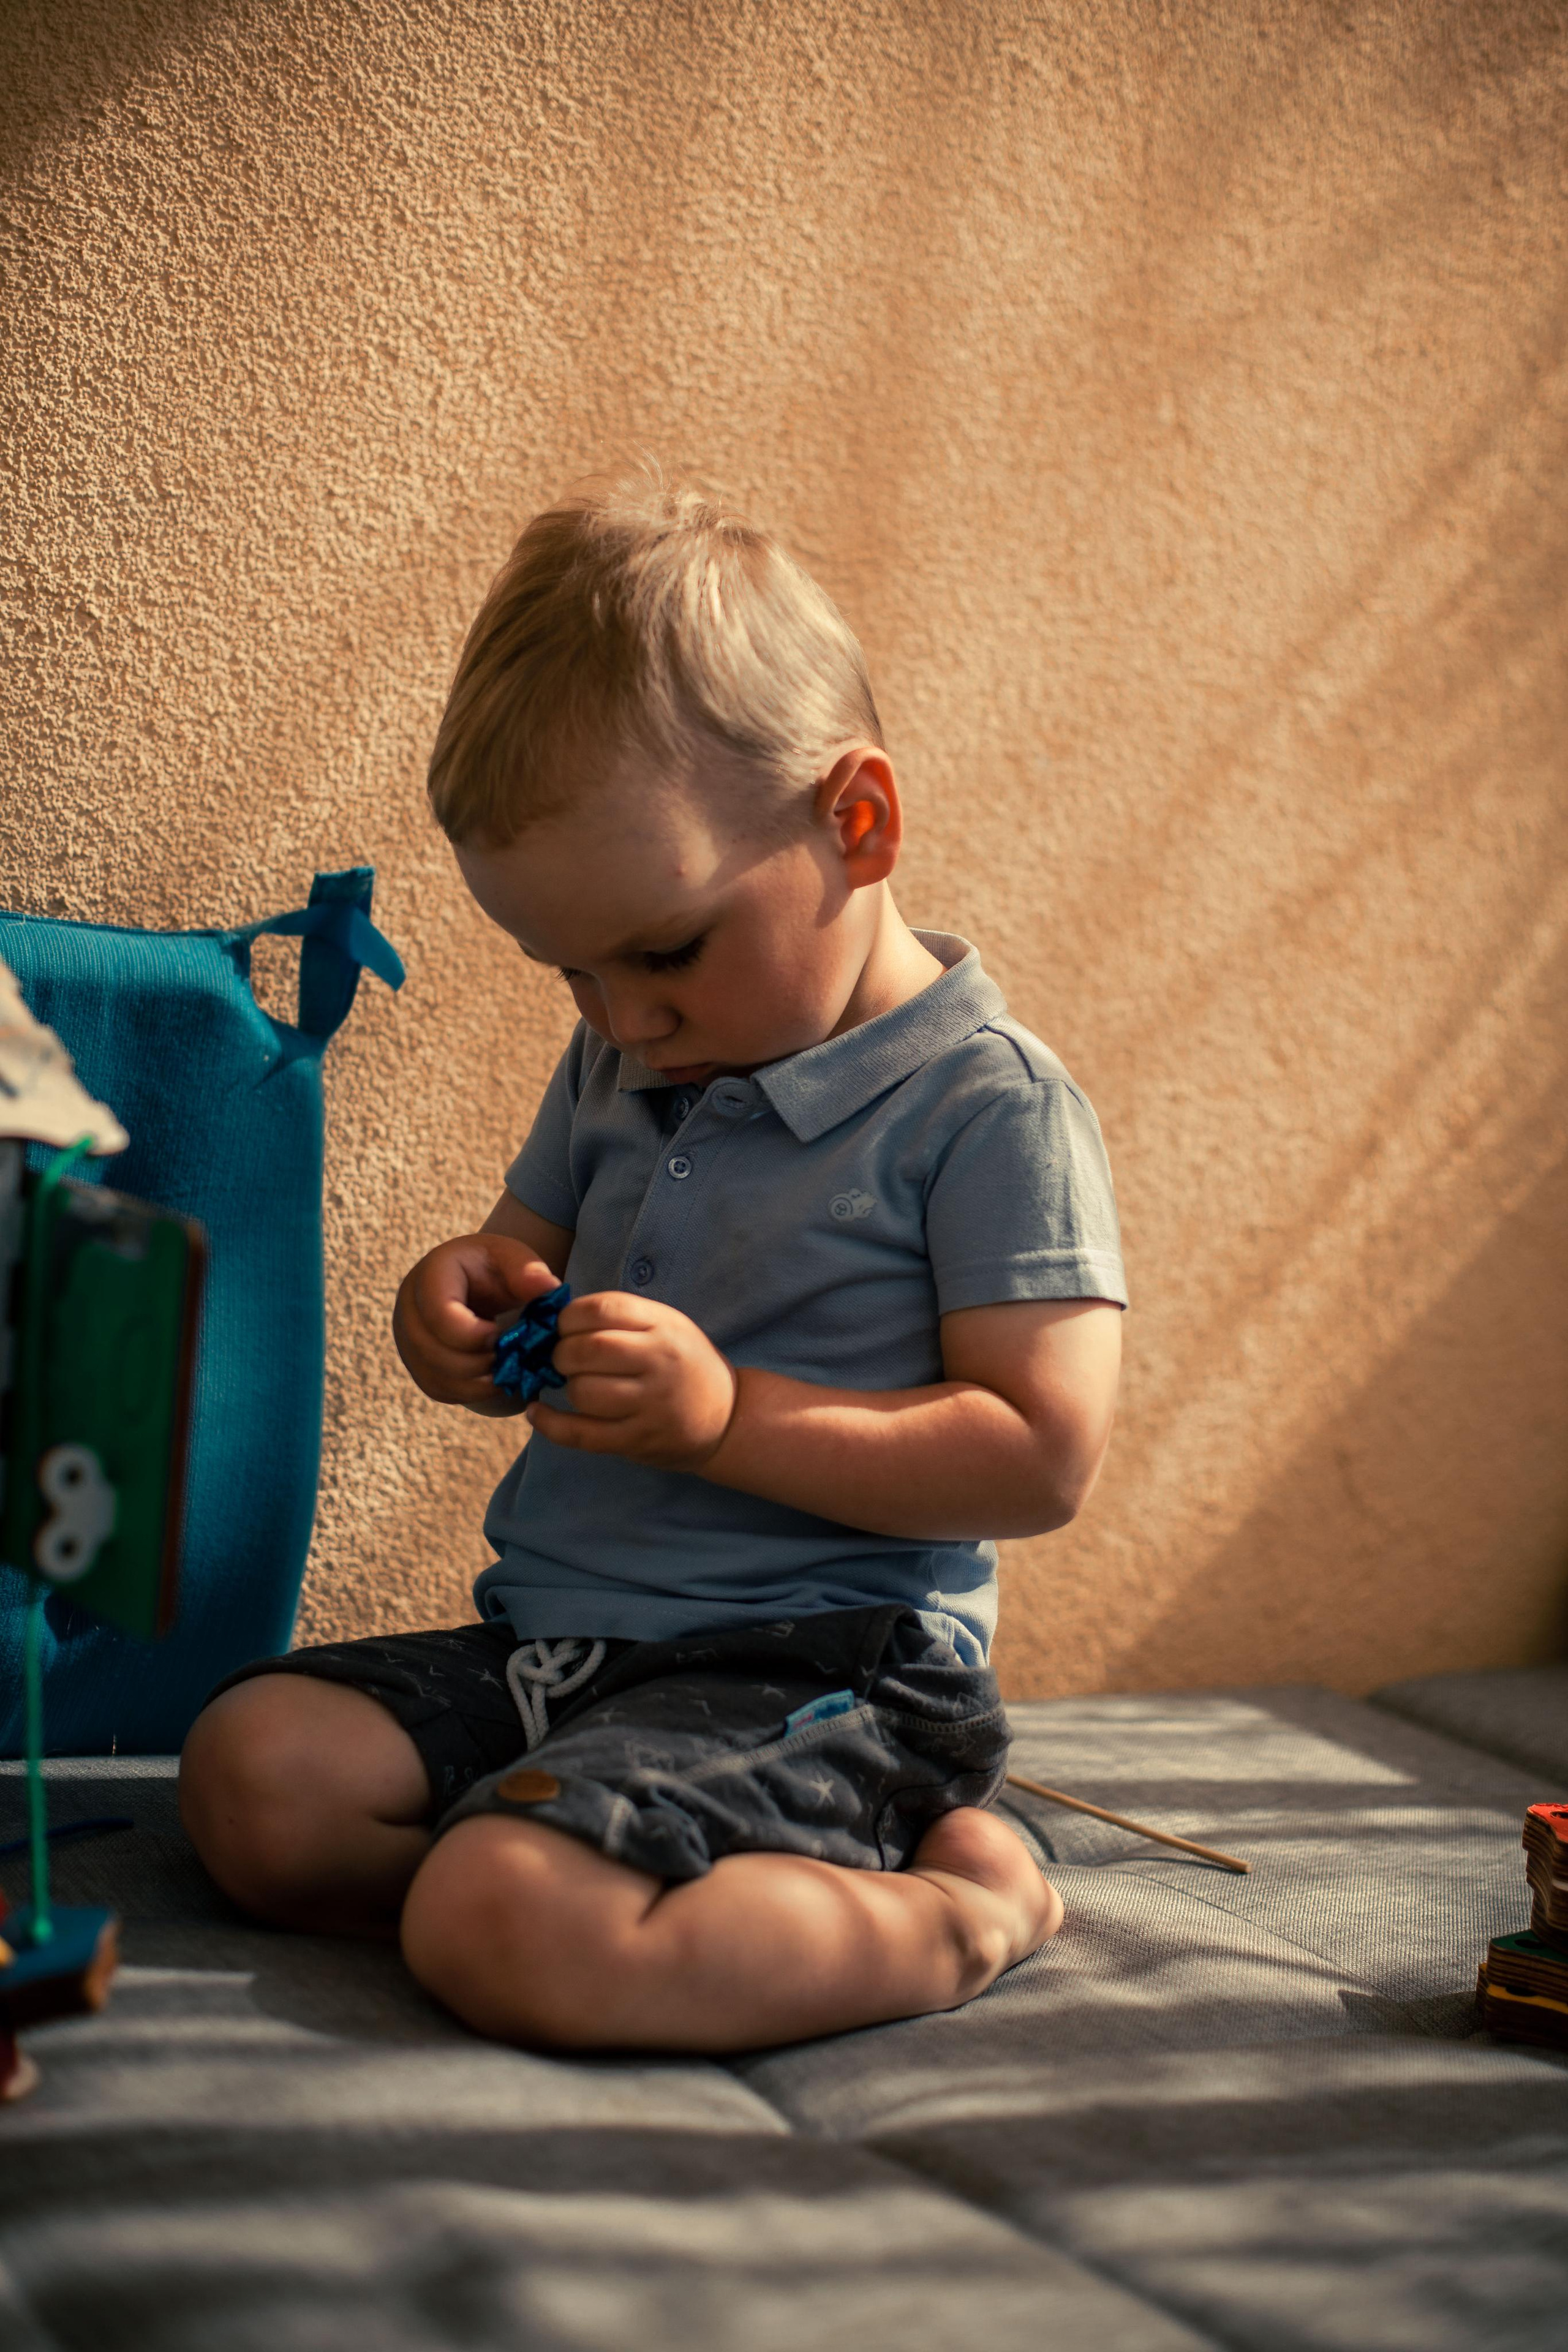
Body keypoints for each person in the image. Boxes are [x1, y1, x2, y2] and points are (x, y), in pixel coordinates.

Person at [179, 477, 1128, 2053]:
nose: (620, 1019)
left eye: (663, 951)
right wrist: (459, 1309)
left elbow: (1039, 1454)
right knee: (252, 1774)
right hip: (568, 1647)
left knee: (504, 1912)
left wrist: (717, 1417)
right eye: (569, 972)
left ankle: (966, 1906)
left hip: (826, 1667)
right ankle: (567, 1880)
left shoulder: (987, 1107)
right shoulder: (623, 1064)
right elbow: (521, 1265)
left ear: (857, 821)